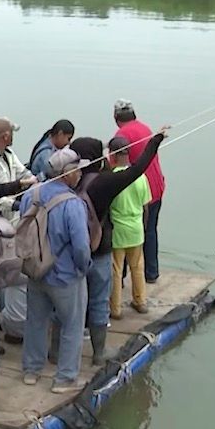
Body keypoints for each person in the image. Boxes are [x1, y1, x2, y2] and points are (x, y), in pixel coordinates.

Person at [70, 127, 167, 363]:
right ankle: (99, 352)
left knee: (72, 301)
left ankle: (56, 351)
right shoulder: (104, 182)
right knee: (100, 298)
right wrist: (155, 141)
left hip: (72, 250)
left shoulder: (68, 181)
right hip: (102, 247)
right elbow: (137, 169)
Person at [19, 148, 92, 394]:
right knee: (72, 325)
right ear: (66, 174)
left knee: (36, 321)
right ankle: (65, 378)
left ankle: (31, 370)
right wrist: (84, 268)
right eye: (77, 170)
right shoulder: (73, 203)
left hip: (35, 271)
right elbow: (81, 246)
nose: (80, 174)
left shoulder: (30, 195)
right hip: (66, 276)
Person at [0, 116, 35, 343]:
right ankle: (0, 320)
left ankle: (6, 316)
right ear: (5, 136)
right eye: (11, 133)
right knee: (1, 274)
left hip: (14, 226)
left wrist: (34, 181)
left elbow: (23, 173)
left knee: (9, 273)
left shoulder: (9, 155)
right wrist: (19, 204)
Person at [113, 99, 166, 285]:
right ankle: (152, 272)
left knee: (127, 233)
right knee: (150, 231)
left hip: (140, 190)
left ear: (116, 117)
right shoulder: (145, 128)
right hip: (157, 186)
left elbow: (115, 164)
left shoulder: (122, 135)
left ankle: (121, 277)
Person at [107, 136, 152, 319]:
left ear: (112, 155)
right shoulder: (141, 177)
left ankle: (115, 309)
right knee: (137, 267)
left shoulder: (112, 178)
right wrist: (144, 228)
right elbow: (146, 207)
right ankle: (140, 301)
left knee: (116, 270)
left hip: (118, 229)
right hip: (136, 228)